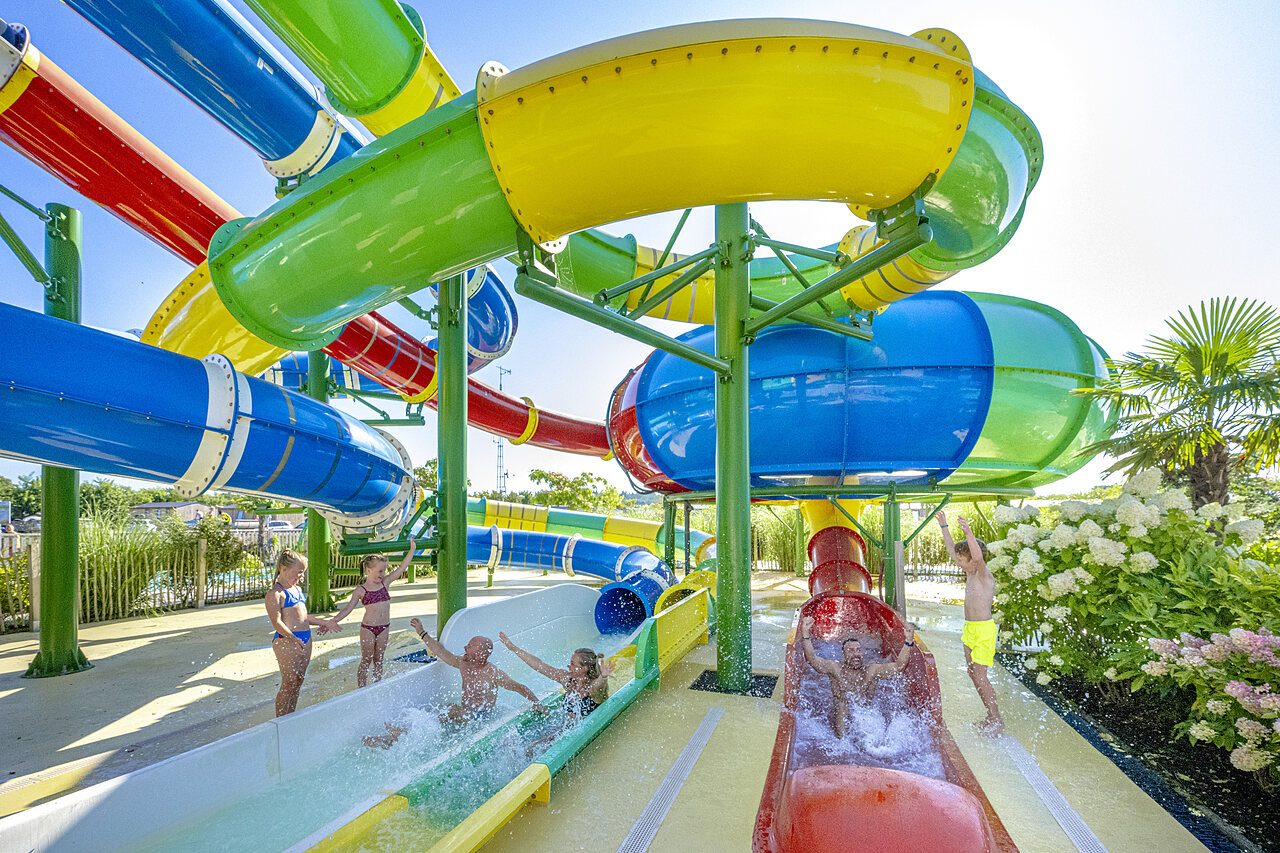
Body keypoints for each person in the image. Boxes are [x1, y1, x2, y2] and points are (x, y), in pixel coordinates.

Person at [362, 619, 546, 748]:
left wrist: (537, 702)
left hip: (481, 718)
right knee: (436, 712)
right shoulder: (464, 663)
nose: (465, 647)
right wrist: (422, 632)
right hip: (464, 714)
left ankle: (398, 735)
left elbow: (520, 687)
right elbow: (441, 652)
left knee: (449, 709)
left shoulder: (492, 673)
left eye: (469, 646)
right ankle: (396, 736)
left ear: (481, 654)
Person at [938, 512, 1004, 734]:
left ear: (971, 559)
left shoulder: (983, 575)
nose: (956, 561)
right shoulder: (969, 574)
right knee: (971, 672)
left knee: (981, 675)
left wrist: (968, 532)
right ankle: (989, 715)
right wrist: (944, 526)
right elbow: (951, 549)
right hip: (970, 629)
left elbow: (977, 557)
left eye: (960, 559)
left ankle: (996, 720)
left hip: (983, 631)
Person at [799, 615, 915, 738]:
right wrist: (805, 634)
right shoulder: (835, 669)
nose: (856, 654)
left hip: (864, 716)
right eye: (851, 651)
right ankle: (842, 743)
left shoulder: (871, 671)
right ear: (843, 655)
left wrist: (908, 641)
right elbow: (812, 659)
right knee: (842, 706)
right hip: (841, 715)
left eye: (858, 650)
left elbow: (898, 667)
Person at [329, 538, 415, 687]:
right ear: (368, 570)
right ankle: (361, 687)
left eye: (384, 570)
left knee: (379, 659)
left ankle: (377, 685)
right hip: (368, 629)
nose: (383, 574)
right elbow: (348, 608)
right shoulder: (361, 590)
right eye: (380, 571)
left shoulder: (385, 583)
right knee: (366, 659)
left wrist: (412, 549)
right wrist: (334, 620)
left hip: (384, 627)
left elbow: (402, 567)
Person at [265, 550, 338, 717]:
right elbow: (277, 623)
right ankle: (281, 720)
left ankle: (291, 716)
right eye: (298, 572)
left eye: (302, 573)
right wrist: (293, 638)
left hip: (304, 638)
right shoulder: (275, 594)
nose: (301, 576)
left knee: (298, 681)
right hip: (287, 640)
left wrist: (324, 622)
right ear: (283, 568)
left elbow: (303, 617)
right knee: (289, 682)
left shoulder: (296, 589)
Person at [499, 632, 610, 725]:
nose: (568, 666)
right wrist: (513, 648)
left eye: (572, 664)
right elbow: (539, 665)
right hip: (565, 728)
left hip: (582, 732)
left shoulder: (592, 688)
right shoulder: (567, 679)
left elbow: (599, 686)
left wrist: (603, 677)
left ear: (583, 669)